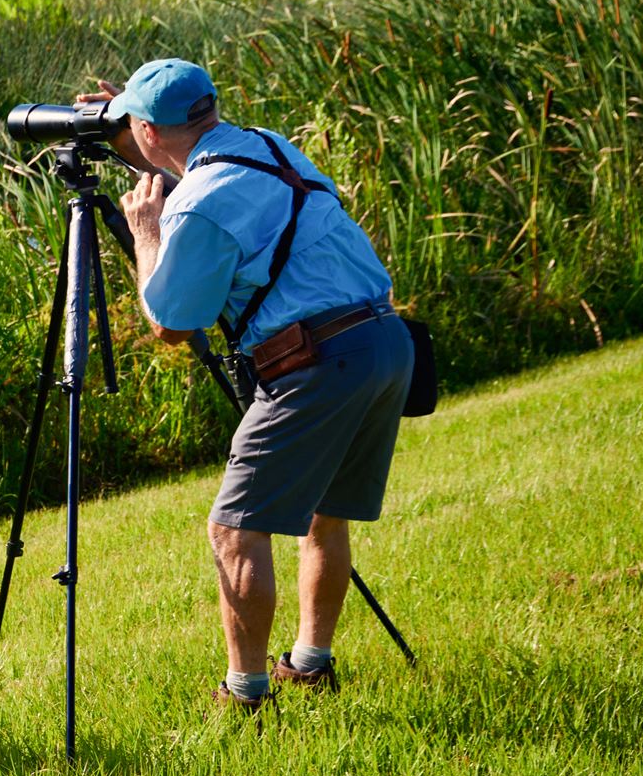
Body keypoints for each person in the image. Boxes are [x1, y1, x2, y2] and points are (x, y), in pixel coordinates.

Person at [99, 58, 412, 715]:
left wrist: (146, 233)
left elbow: (173, 324)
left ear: (151, 130)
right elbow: (183, 167)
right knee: (324, 511)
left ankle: (244, 695)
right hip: (384, 340)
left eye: (133, 121)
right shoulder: (264, 145)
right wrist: (128, 133)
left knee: (234, 527)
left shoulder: (196, 206)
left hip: (316, 358)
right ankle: (311, 663)